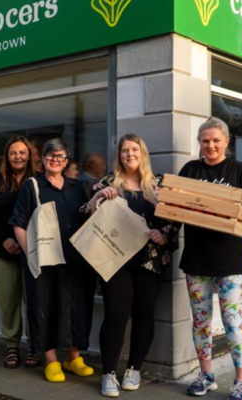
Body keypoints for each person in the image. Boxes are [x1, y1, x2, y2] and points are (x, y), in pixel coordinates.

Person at [85, 134, 178, 397]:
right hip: (115, 259)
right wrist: (97, 198)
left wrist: (165, 234)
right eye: (125, 150)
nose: (130, 154)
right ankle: (109, 373)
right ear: (119, 155)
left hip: (150, 259)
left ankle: (134, 369)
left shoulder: (159, 185)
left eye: (134, 149)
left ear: (143, 153)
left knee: (144, 314)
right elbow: (86, 215)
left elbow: (176, 218)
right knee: (116, 313)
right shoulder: (107, 183)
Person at [179, 117, 242, 400]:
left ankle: (241, 381)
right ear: (200, 143)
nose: (210, 145)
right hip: (196, 260)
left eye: (216, 140)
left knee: (232, 322)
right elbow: (176, 207)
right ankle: (206, 375)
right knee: (201, 323)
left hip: (229, 261)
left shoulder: (240, 169)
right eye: (205, 140)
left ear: (227, 142)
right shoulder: (190, 169)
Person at [9, 138, 95, 383]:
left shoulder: (77, 187)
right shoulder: (32, 186)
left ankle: (73, 357)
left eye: (60, 156)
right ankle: (51, 361)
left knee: (76, 306)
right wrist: (31, 256)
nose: (55, 160)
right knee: (45, 306)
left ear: (66, 161)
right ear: (43, 159)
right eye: (50, 155)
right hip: (45, 262)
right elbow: (18, 223)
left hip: (75, 260)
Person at [0, 135, 38, 369]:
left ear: (29, 156)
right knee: (8, 301)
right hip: (4, 252)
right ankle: (12, 347)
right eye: (13, 153)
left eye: (22, 153)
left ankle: (35, 346)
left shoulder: (37, 181)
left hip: (33, 251)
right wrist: (4, 239)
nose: (18, 156)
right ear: (7, 156)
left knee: (33, 300)